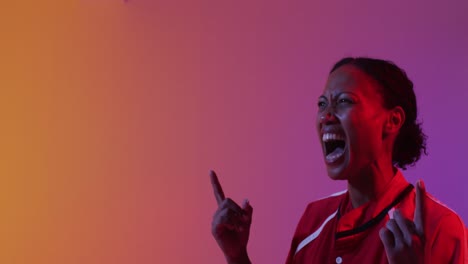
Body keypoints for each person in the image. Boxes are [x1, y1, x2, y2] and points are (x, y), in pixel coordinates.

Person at [210, 57, 467, 264]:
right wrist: (237, 256)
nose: (326, 116)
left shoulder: (439, 227)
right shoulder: (314, 218)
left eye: (344, 101)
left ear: (393, 121)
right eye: (322, 104)